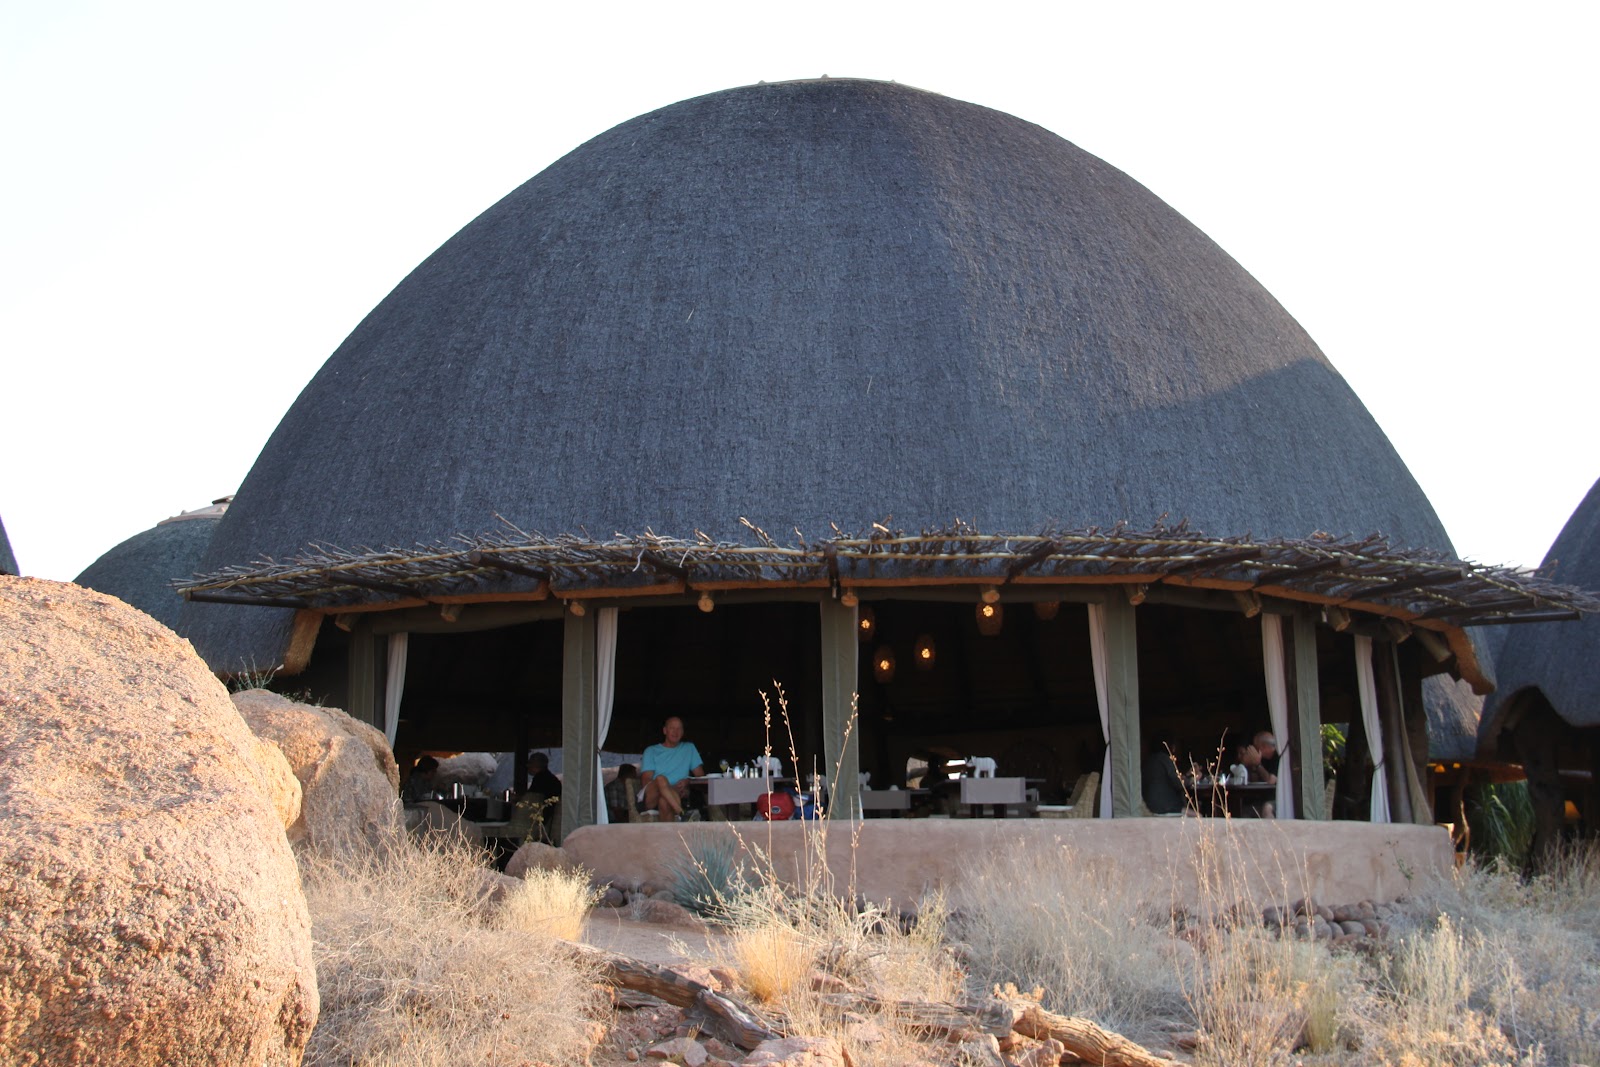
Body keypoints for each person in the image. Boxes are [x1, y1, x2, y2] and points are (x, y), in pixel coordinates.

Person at [640, 716, 705, 821]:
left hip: (677, 794)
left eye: (679, 728)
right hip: (652, 797)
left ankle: (673, 827)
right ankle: (681, 813)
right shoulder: (651, 751)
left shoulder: (689, 748)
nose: (676, 732)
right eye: (672, 728)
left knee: (664, 801)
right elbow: (646, 781)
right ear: (665, 731)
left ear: (683, 732)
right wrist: (666, 788)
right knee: (661, 779)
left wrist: (687, 782)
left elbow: (701, 777)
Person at [1142, 741, 1186, 815]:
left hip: (1149, 805)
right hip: (1166, 806)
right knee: (1198, 815)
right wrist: (1192, 779)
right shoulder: (1164, 759)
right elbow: (1178, 782)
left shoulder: (1148, 761)